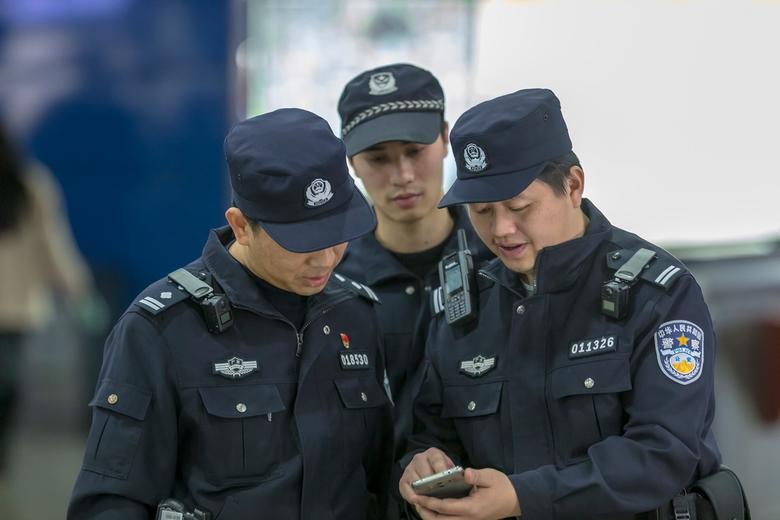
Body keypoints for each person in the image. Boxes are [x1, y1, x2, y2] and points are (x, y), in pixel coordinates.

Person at [398, 89, 722, 519]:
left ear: (572, 185)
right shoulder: (462, 308)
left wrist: (522, 498)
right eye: (481, 212)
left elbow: (664, 452)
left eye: (518, 207)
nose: (502, 230)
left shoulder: (657, 295)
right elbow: (429, 432)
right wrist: (422, 464)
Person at [68, 108, 393, 519]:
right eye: (303, 242)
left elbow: (379, 479)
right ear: (240, 225)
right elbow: (110, 502)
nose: (327, 259)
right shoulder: (161, 329)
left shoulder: (356, 314)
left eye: (338, 234)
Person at [336, 63, 493, 452]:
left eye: (414, 151)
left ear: (445, 139)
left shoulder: (501, 260)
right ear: (351, 161)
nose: (402, 175)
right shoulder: (331, 280)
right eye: (378, 158)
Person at [0, 124, 94, 473]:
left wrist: (77, 287)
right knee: (7, 387)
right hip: (14, 308)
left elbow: (51, 244)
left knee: (7, 387)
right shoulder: (30, 184)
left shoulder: (31, 186)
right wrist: (79, 289)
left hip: (13, 308)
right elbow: (53, 244)